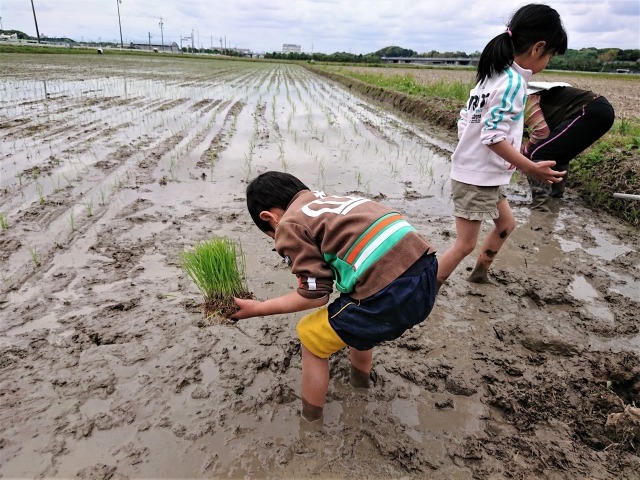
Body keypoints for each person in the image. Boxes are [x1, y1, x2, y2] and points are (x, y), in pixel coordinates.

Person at [231, 172, 438, 422]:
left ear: (270, 218)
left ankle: (311, 420)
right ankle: (360, 382)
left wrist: (257, 308)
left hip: (388, 292)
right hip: (426, 273)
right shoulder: (327, 202)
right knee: (354, 307)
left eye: (271, 235)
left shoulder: (288, 224)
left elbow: (315, 296)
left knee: (310, 336)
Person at [436, 4, 568, 289]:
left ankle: (480, 273)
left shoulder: (492, 76)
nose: (548, 61)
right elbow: (492, 135)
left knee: (506, 225)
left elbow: (465, 122)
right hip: (476, 178)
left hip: (483, 174)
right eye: (550, 55)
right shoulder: (512, 83)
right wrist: (530, 167)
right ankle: (422, 290)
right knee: (463, 245)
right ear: (538, 48)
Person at [522, 83, 615, 210]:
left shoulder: (526, 98)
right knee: (559, 155)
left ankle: (541, 207)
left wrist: (524, 152)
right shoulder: (533, 92)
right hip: (602, 110)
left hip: (589, 110)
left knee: (537, 154)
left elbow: (540, 133)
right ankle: (554, 199)